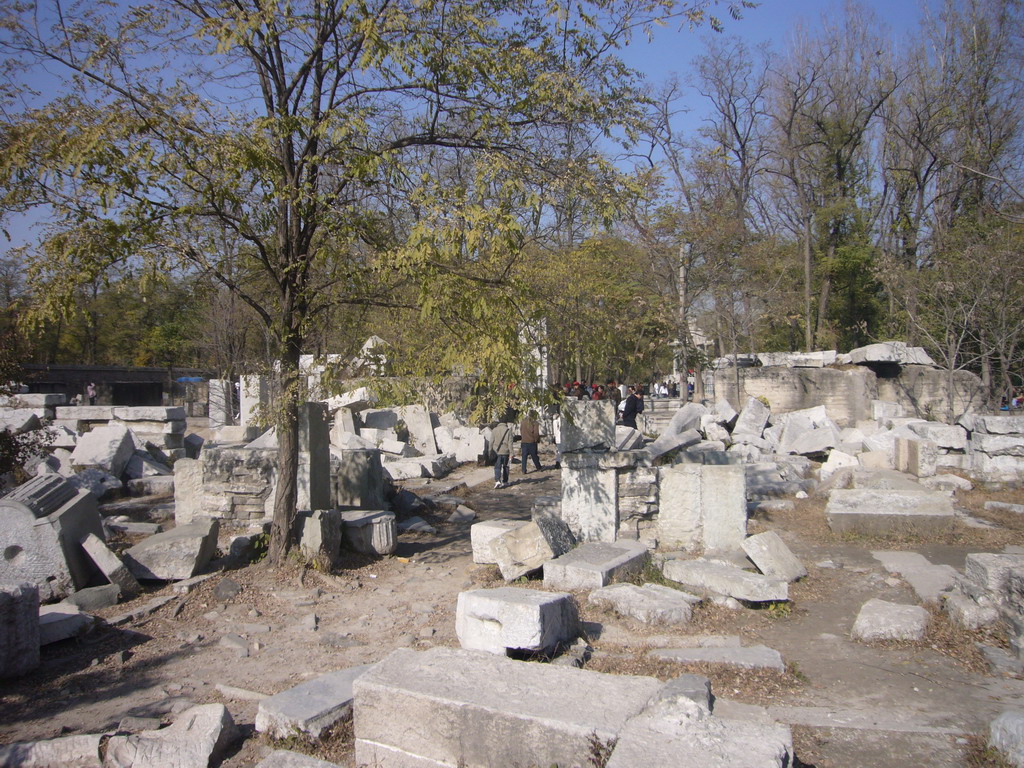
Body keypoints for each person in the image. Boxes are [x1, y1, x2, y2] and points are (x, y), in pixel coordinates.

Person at [491, 411, 515, 488]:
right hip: (506, 452)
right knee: (506, 467)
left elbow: (491, 442)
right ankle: (505, 481)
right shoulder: (508, 431)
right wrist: (511, 453)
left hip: (496, 452)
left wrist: (489, 451)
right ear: (506, 422)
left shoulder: (494, 430)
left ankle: (497, 480)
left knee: (497, 467)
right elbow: (510, 443)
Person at [519, 410, 542, 474]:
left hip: (524, 441)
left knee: (524, 456)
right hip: (532, 441)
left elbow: (521, 430)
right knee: (534, 455)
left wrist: (523, 437)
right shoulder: (535, 423)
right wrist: (536, 439)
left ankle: (523, 470)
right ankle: (538, 467)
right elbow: (536, 433)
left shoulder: (523, 422)